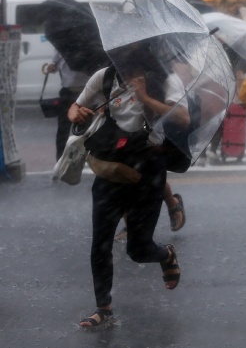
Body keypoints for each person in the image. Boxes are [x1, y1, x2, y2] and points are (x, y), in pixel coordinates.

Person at [68, 44, 188, 328]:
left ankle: (165, 254)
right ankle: (103, 308)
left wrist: (145, 97)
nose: (123, 58)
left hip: (148, 169)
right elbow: (76, 106)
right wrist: (77, 114)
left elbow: (183, 118)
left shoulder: (166, 80)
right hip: (112, 165)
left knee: (138, 249)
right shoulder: (105, 77)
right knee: (101, 242)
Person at [44, 50, 90, 161]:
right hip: (76, 93)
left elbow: (53, 66)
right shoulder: (88, 48)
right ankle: (61, 159)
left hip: (81, 93)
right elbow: (54, 65)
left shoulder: (65, 46)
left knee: (78, 129)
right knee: (69, 128)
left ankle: (73, 159)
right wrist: (51, 67)